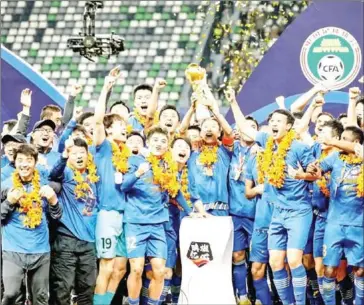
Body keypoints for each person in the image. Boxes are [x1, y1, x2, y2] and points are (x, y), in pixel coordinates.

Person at [241, 109, 320, 305]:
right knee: (276, 262)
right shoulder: (268, 144)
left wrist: (301, 175)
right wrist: (233, 102)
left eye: (279, 120)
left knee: (294, 261)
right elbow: (244, 128)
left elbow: (316, 174)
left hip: (299, 211)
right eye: (272, 120)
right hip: (277, 212)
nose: (274, 123)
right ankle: (288, 303)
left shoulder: (299, 148)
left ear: (289, 126)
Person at [118, 127, 194, 305]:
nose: (159, 144)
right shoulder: (135, 160)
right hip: (135, 223)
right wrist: (138, 173)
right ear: (148, 143)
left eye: (163, 141)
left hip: (158, 224)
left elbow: (176, 192)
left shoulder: (168, 165)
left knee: (160, 271)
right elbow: (123, 187)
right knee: (136, 270)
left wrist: (191, 212)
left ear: (167, 145)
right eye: (156, 140)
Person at [1, 144, 62, 305]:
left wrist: (53, 200)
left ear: (35, 162)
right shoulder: (6, 185)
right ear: (15, 162)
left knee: (41, 298)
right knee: (11, 294)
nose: (24, 164)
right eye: (20, 160)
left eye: (29, 160)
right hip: (13, 249)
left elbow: (57, 216)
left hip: (40, 249)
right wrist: (9, 202)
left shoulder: (44, 184)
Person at [310, 126, 364, 305]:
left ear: (356, 142)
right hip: (334, 224)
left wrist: (331, 140)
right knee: (329, 270)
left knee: (360, 271)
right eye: (339, 138)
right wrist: (312, 169)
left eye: (344, 139)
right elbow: (317, 170)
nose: (340, 142)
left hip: (359, 225)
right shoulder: (335, 157)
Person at [93, 67, 129, 305]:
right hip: (106, 215)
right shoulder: (103, 148)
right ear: (108, 130)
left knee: (120, 268)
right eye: (119, 124)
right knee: (106, 266)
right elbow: (96, 120)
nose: (125, 127)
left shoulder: (127, 154)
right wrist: (107, 88)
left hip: (126, 216)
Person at [48, 138, 99, 305]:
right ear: (69, 156)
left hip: (89, 241)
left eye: (82, 153)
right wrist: (63, 156)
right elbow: (54, 174)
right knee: (62, 289)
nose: (78, 156)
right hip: (67, 240)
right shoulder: (67, 173)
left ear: (87, 155)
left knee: (88, 289)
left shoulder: (93, 175)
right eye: (74, 153)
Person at [226, 87, 259, 305]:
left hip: (257, 214)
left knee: (258, 260)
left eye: (252, 128)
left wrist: (234, 103)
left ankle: (262, 296)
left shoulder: (262, 149)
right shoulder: (232, 149)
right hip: (235, 213)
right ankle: (243, 296)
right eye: (243, 127)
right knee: (237, 256)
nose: (247, 131)